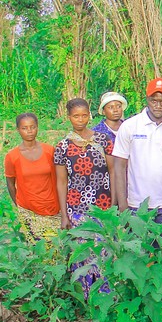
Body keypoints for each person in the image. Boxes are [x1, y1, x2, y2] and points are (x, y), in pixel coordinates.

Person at [110, 78, 162, 226]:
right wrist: (122, 204)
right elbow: (119, 167)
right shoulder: (130, 127)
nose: (158, 106)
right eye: (154, 101)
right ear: (147, 99)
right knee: (138, 248)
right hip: (137, 205)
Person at [54, 98, 115, 297]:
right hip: (77, 208)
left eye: (84, 115)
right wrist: (64, 215)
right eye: (75, 116)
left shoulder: (103, 140)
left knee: (105, 250)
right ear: (68, 117)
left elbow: (113, 172)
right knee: (83, 253)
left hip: (103, 205)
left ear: (90, 115)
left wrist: (114, 205)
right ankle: (87, 297)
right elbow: (62, 181)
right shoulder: (62, 147)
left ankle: (107, 297)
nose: (80, 120)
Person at [5, 112, 62, 243]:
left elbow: (59, 178)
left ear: (37, 127)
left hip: (53, 208)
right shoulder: (12, 156)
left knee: (57, 248)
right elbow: (10, 183)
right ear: (18, 130)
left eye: (32, 127)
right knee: (39, 250)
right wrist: (20, 206)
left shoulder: (49, 150)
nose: (29, 131)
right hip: (29, 211)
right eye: (24, 128)